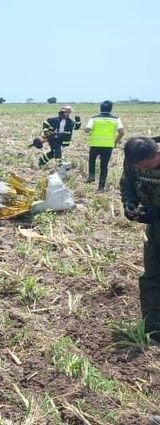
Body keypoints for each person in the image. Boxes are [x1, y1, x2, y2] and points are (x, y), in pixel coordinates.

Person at [120, 137, 160, 342]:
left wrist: (156, 214)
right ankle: (154, 329)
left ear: (157, 155)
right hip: (155, 232)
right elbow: (127, 182)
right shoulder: (134, 160)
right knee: (152, 276)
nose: (140, 169)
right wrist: (130, 203)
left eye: (145, 166)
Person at [84, 100, 125, 192]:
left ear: (100, 108)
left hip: (95, 143)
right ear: (111, 108)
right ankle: (101, 188)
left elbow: (87, 129)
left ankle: (91, 175)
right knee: (104, 165)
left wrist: (87, 130)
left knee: (91, 160)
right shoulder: (116, 119)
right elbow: (122, 132)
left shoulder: (94, 118)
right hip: (108, 145)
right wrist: (116, 141)